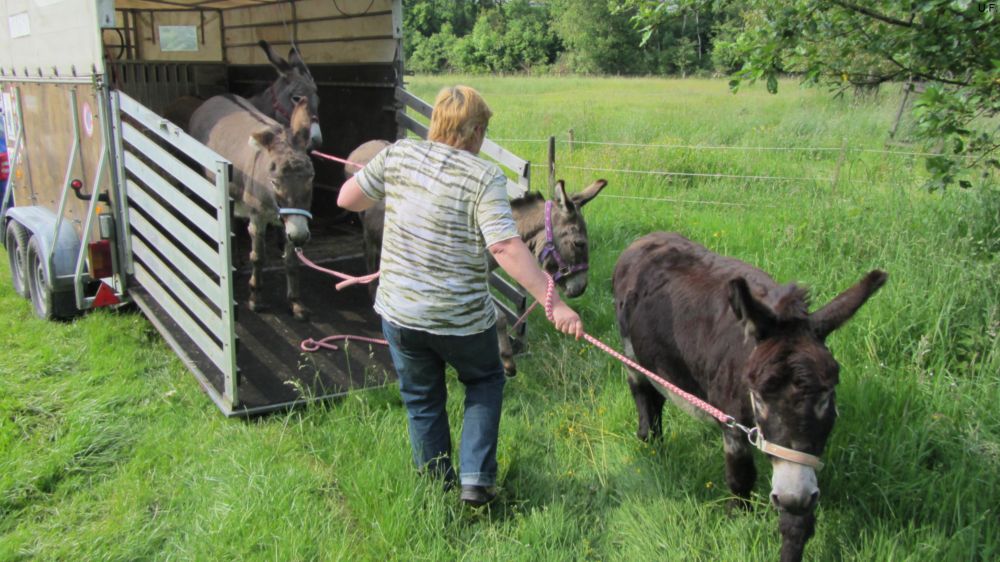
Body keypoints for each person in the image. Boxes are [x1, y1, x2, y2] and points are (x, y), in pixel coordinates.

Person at [337, 85, 583, 507]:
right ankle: (475, 481)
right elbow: (504, 247)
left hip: (400, 314)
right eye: (483, 131)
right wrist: (554, 301)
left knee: (421, 397)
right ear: (476, 131)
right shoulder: (483, 177)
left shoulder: (397, 155)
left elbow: (348, 198)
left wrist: (389, 187)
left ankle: (436, 485)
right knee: (485, 380)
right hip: (460, 319)